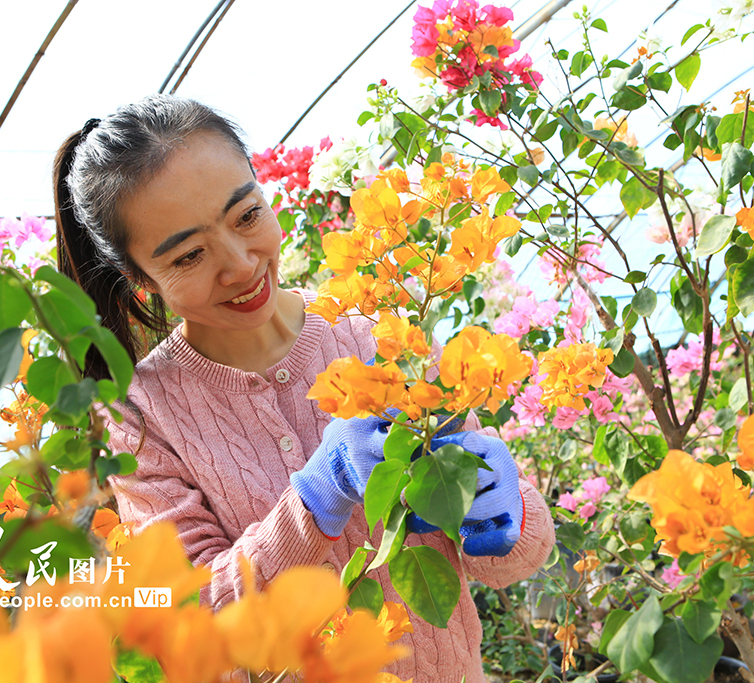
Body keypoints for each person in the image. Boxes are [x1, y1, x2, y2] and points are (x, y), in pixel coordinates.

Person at [53, 93, 555, 682]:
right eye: (189, 255)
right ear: (138, 279)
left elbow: (519, 560)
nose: (240, 264)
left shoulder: (374, 330)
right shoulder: (145, 414)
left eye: (246, 216)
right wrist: (315, 502)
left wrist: (501, 508)